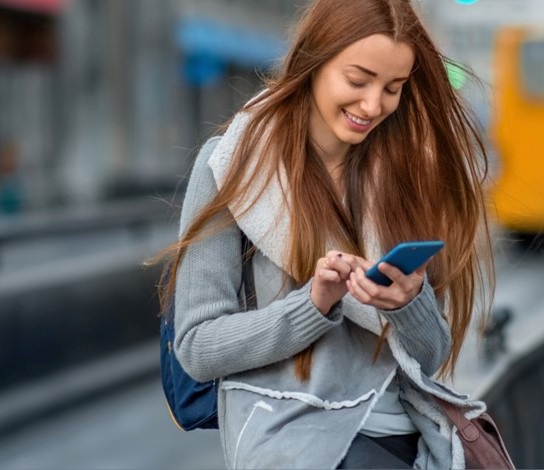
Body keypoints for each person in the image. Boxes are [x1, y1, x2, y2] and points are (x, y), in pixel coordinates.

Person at [154, 0, 494, 467]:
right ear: (313, 62)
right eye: (357, 81)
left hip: (405, 436)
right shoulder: (234, 167)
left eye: (393, 88)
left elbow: (427, 358)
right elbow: (197, 346)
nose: (373, 105)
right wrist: (313, 304)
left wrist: (409, 304)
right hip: (300, 439)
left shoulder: (399, 173)